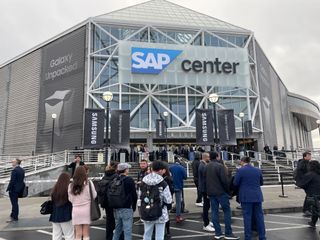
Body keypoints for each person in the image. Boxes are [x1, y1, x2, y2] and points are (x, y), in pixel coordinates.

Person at [205, 152, 239, 240]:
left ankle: (218, 233)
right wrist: (228, 192)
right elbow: (224, 181)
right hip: (221, 193)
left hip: (211, 193)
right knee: (227, 211)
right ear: (217, 157)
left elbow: (205, 180)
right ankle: (228, 233)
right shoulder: (219, 166)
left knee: (214, 212)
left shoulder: (206, 166)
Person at [233, 157, 266, 240]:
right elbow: (261, 183)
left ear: (242, 161)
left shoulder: (240, 170)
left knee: (247, 217)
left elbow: (235, 183)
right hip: (257, 196)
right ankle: (262, 236)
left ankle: (248, 237)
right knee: (259, 217)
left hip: (246, 197)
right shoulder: (257, 170)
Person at [141, 161, 173, 240]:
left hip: (146, 210)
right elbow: (168, 200)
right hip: (160, 212)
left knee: (147, 234)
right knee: (159, 235)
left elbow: (140, 195)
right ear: (161, 170)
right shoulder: (163, 183)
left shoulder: (144, 181)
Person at [68, 166, 97, 240]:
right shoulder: (88, 183)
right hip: (87, 210)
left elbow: (70, 199)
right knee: (86, 233)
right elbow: (94, 195)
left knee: (78, 234)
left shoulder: (71, 185)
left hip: (76, 210)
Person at [112, 163, 137, 240]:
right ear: (125, 170)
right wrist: (134, 206)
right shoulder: (129, 180)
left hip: (116, 207)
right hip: (126, 207)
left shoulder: (115, 180)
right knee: (127, 230)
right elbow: (134, 194)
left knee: (117, 229)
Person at [50, 172, 74, 240]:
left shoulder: (55, 189)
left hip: (55, 215)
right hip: (66, 215)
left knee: (56, 235)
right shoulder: (68, 189)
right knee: (69, 235)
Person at [296, 160, 320, 228]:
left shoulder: (310, 174)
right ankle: (313, 222)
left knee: (316, 210)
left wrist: (297, 183)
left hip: (313, 195)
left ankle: (313, 222)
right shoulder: (318, 173)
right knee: (315, 209)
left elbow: (301, 184)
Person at [102, 162, 119, 240]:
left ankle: (108, 237)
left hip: (105, 201)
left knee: (109, 220)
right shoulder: (116, 176)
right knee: (118, 221)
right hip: (114, 201)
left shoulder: (104, 176)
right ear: (116, 168)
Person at [198, 152, 215, 232]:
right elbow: (206, 179)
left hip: (204, 188)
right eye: (208, 157)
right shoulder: (203, 166)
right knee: (206, 207)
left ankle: (207, 221)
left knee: (206, 206)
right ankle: (206, 224)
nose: (209, 158)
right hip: (205, 189)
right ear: (205, 157)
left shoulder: (203, 165)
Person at [6, 158, 25, 222]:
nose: (12, 162)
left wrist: (9, 189)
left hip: (13, 189)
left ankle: (15, 217)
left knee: (14, 203)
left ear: (16, 163)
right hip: (19, 189)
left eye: (13, 162)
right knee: (15, 203)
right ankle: (12, 214)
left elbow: (12, 181)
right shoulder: (22, 170)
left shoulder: (14, 170)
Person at [295, 152, 312, 217]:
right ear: (305, 156)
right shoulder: (302, 163)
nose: (310, 157)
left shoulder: (307, 162)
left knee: (309, 194)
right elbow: (301, 173)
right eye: (309, 156)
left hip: (307, 181)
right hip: (305, 182)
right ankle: (306, 209)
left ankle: (307, 209)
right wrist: (305, 180)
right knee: (309, 194)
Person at [163, 164, 174, 237]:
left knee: (165, 216)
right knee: (165, 215)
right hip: (166, 200)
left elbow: (170, 190)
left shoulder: (166, 179)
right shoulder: (167, 177)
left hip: (165, 200)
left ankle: (167, 231)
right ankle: (167, 231)